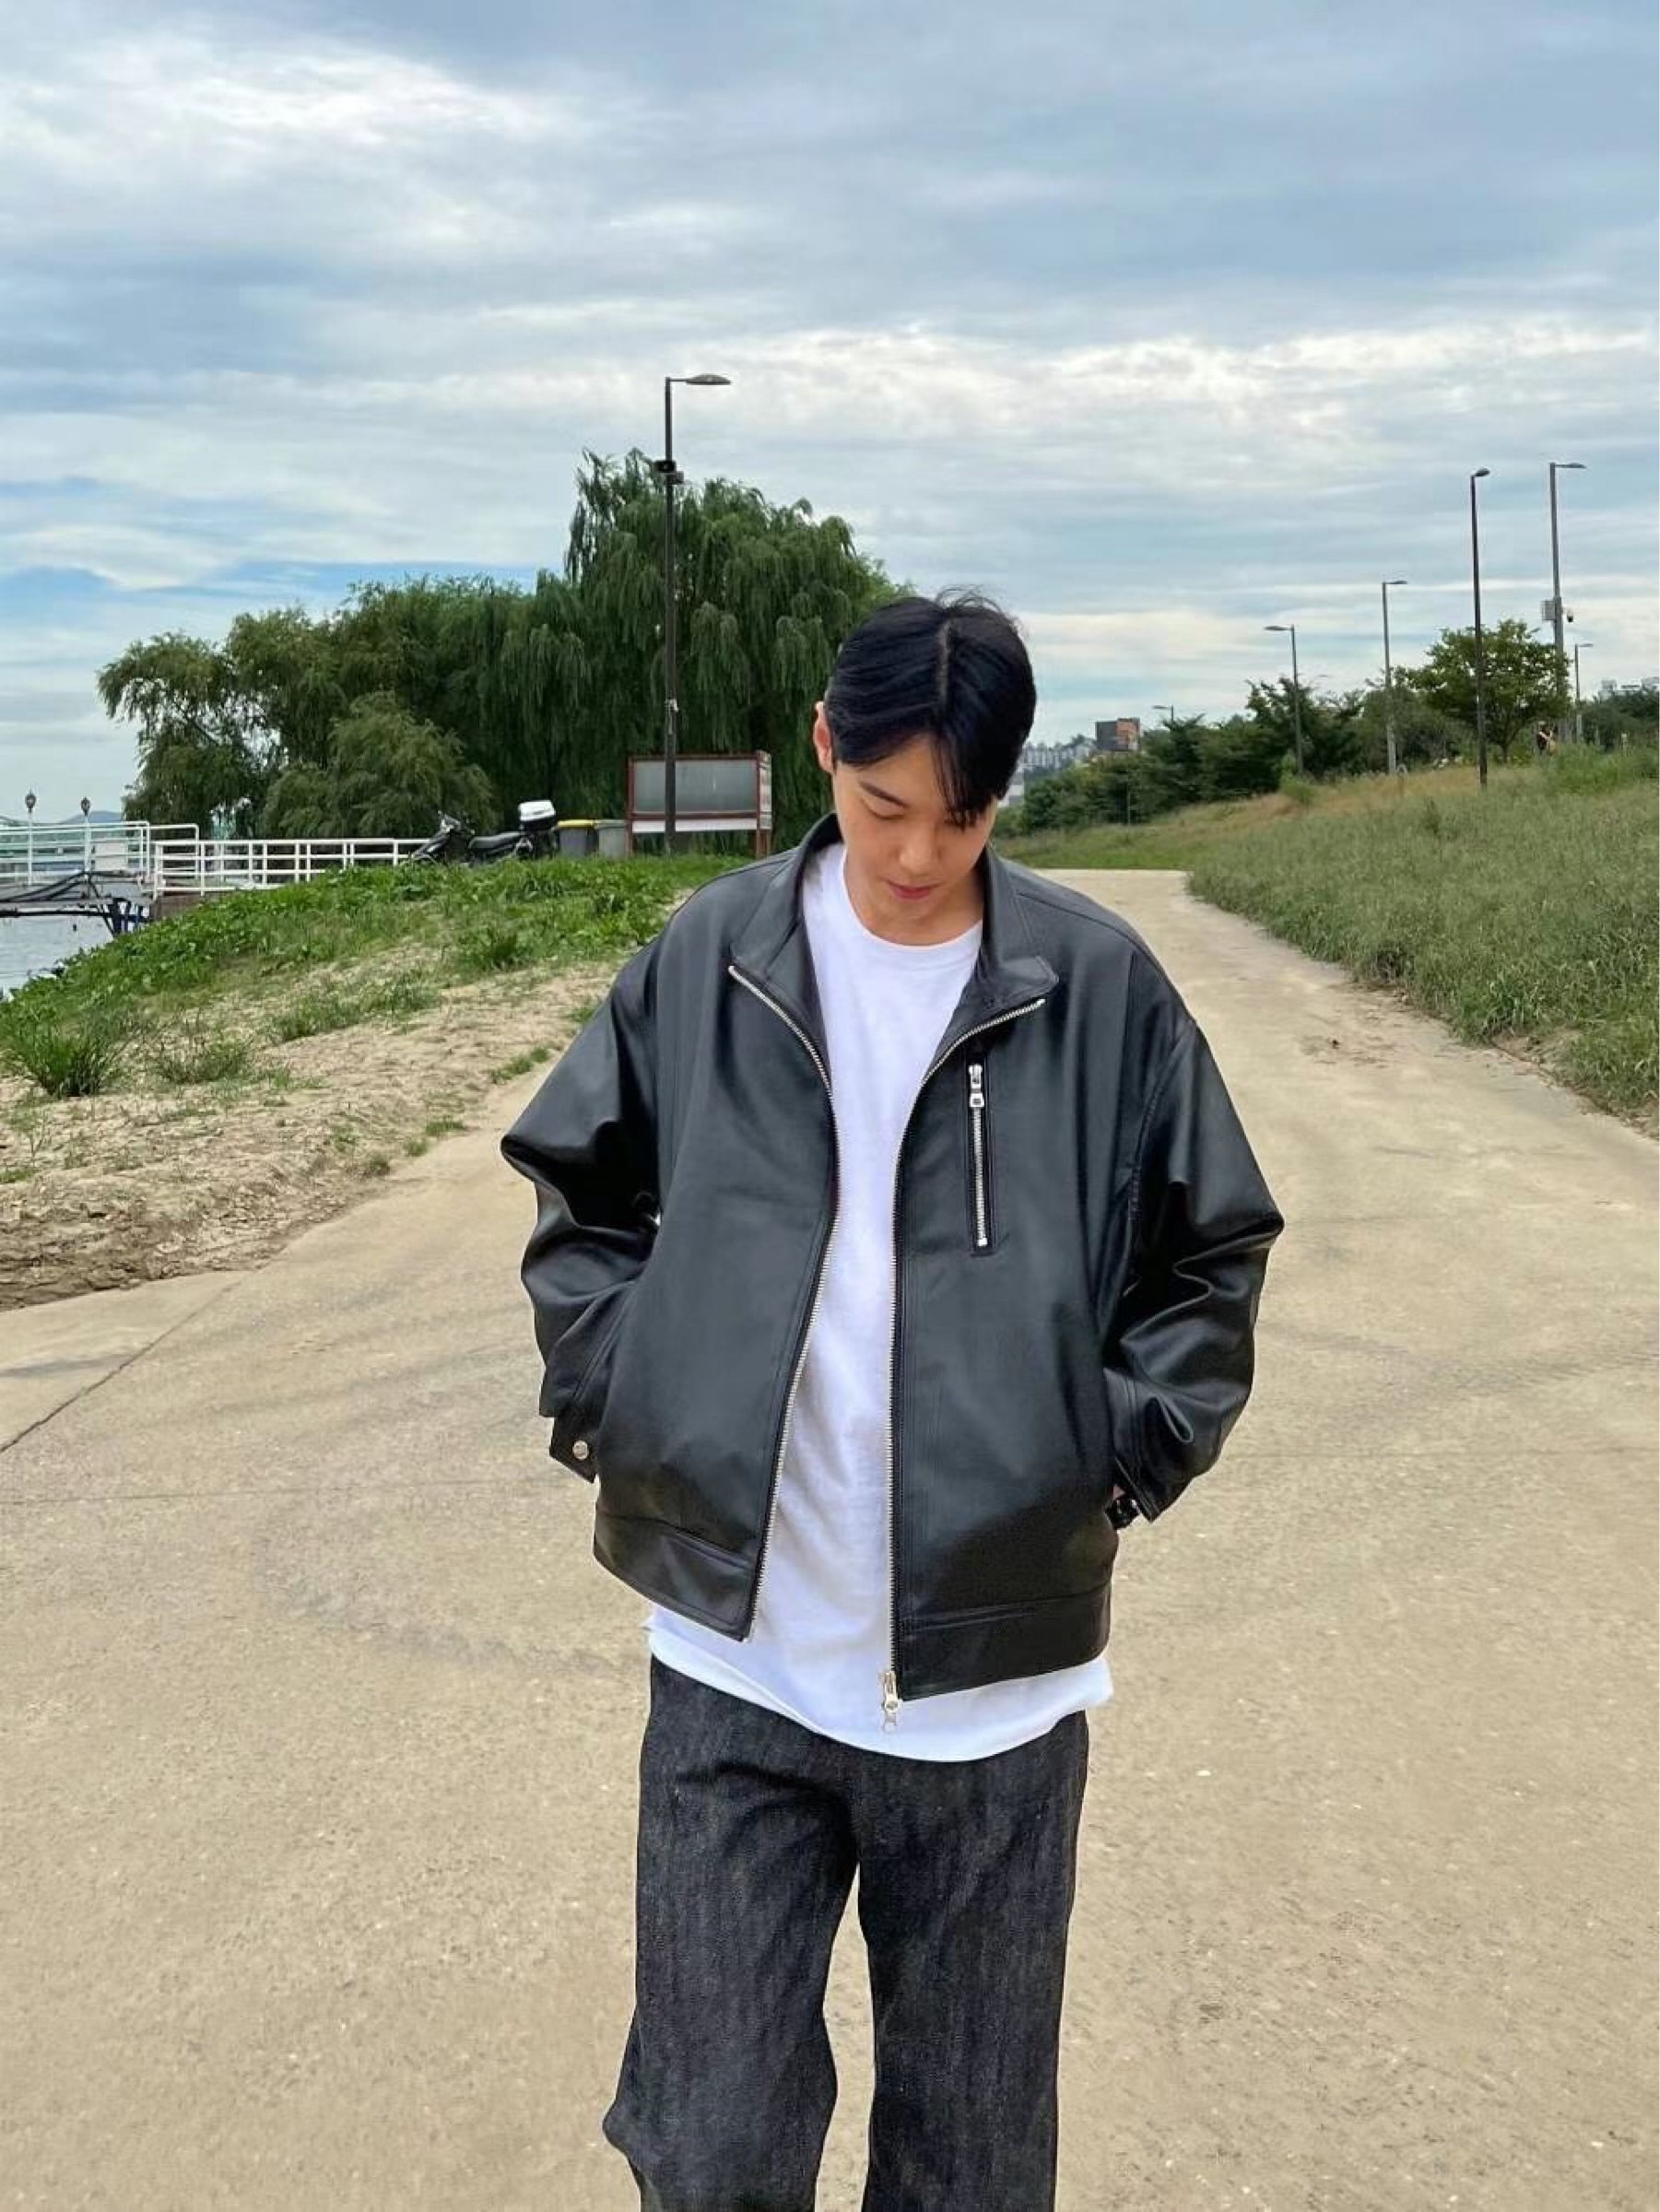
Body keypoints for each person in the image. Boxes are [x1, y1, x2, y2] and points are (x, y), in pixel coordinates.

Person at [500, 592, 1284, 2211]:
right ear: (823, 750)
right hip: (738, 1658)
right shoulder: (713, 956)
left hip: (994, 1689)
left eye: (963, 815)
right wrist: (625, 1395)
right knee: (710, 2145)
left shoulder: (1095, 984)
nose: (918, 854)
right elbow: (579, 1188)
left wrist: (1106, 1460)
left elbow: (1210, 1249)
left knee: (970, 2164)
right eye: (881, 807)